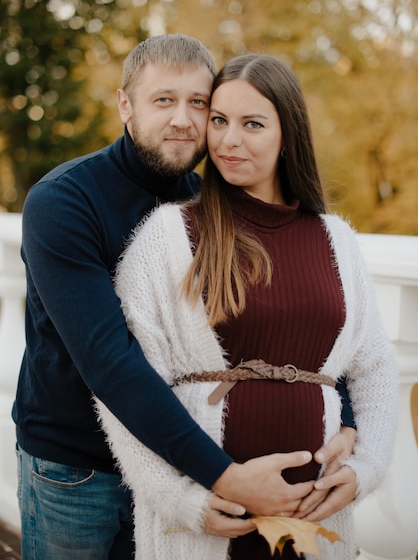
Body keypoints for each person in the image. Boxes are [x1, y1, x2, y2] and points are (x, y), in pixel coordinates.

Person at [13, 34, 355, 560]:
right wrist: (223, 475)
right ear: (125, 104)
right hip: (77, 468)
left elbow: (302, 322)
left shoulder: (208, 206)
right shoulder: (64, 201)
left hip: (177, 463)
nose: (183, 119)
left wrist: (346, 417)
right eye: (163, 100)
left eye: (199, 103)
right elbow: (110, 362)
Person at [95, 53, 398, 559]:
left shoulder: (336, 240)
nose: (227, 141)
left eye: (252, 124)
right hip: (208, 522)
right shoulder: (168, 237)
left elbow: (374, 366)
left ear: (288, 134)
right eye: (219, 121)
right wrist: (181, 500)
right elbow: (126, 391)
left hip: (315, 518)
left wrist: (366, 469)